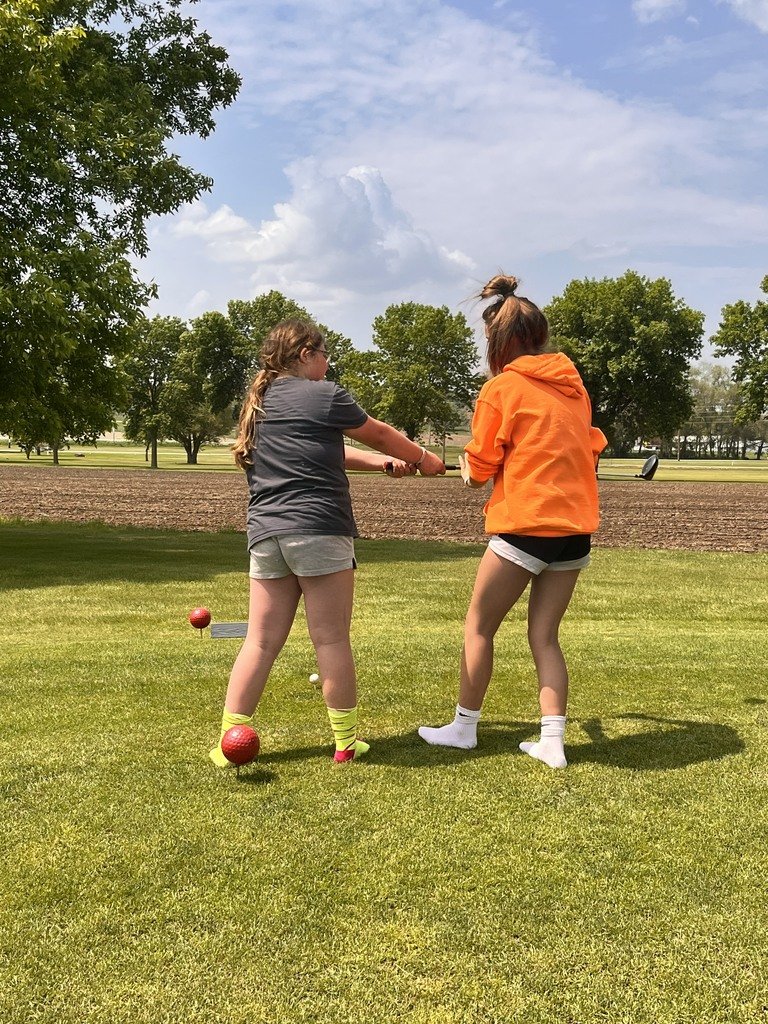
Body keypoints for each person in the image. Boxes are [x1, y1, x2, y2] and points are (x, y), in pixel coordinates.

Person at [210, 318, 445, 766]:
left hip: (266, 534)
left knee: (259, 641)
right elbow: (376, 430)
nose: (328, 362)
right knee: (331, 640)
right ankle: (345, 744)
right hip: (319, 528)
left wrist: (383, 465)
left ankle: (228, 742)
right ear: (305, 354)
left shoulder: (260, 402)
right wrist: (423, 458)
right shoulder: (326, 395)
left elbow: (329, 451)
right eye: (324, 354)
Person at [418, 275, 607, 768]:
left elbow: (477, 473)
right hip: (576, 530)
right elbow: (590, 449)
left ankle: (463, 728)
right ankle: (552, 742)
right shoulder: (575, 388)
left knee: (479, 627)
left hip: (525, 525)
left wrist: (462, 465)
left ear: (498, 341)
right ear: (540, 335)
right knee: (544, 636)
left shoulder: (501, 388)